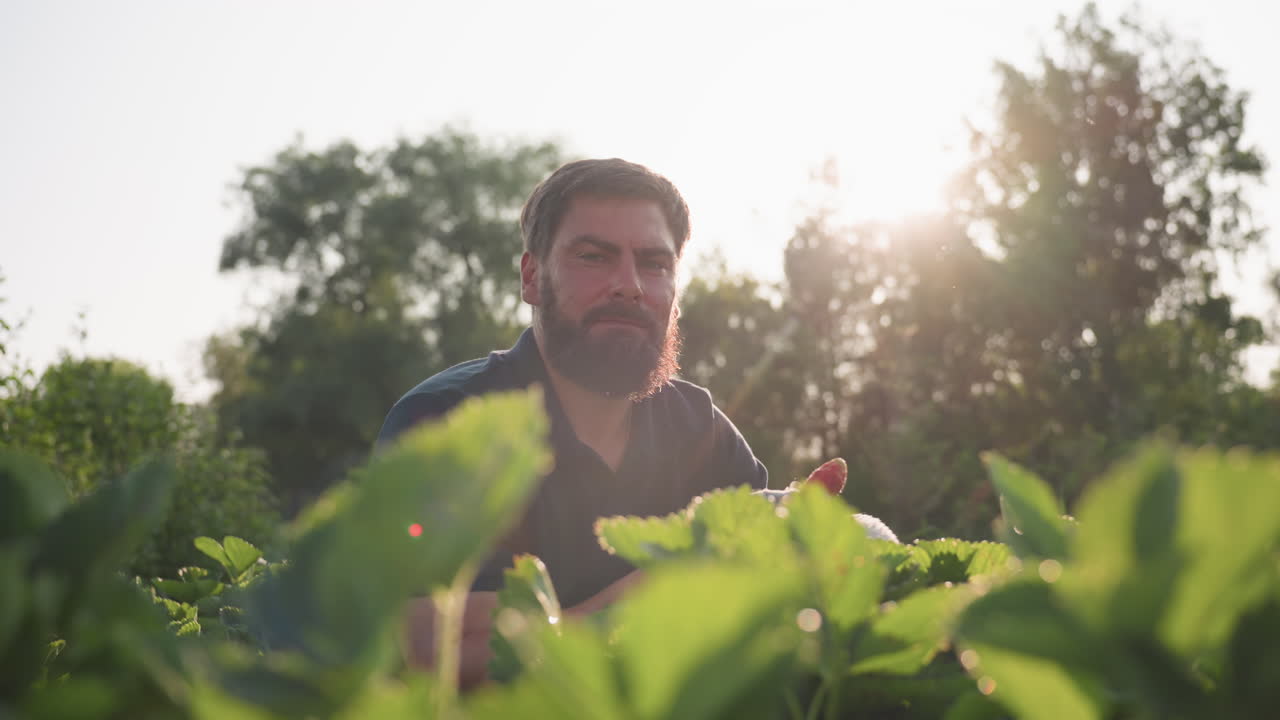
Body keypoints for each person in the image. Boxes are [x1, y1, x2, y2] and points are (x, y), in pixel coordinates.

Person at [376, 158, 769, 687]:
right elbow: (436, 656)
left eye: (654, 264)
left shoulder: (703, 431)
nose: (629, 285)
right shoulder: (447, 426)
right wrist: (677, 582)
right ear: (532, 276)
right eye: (594, 257)